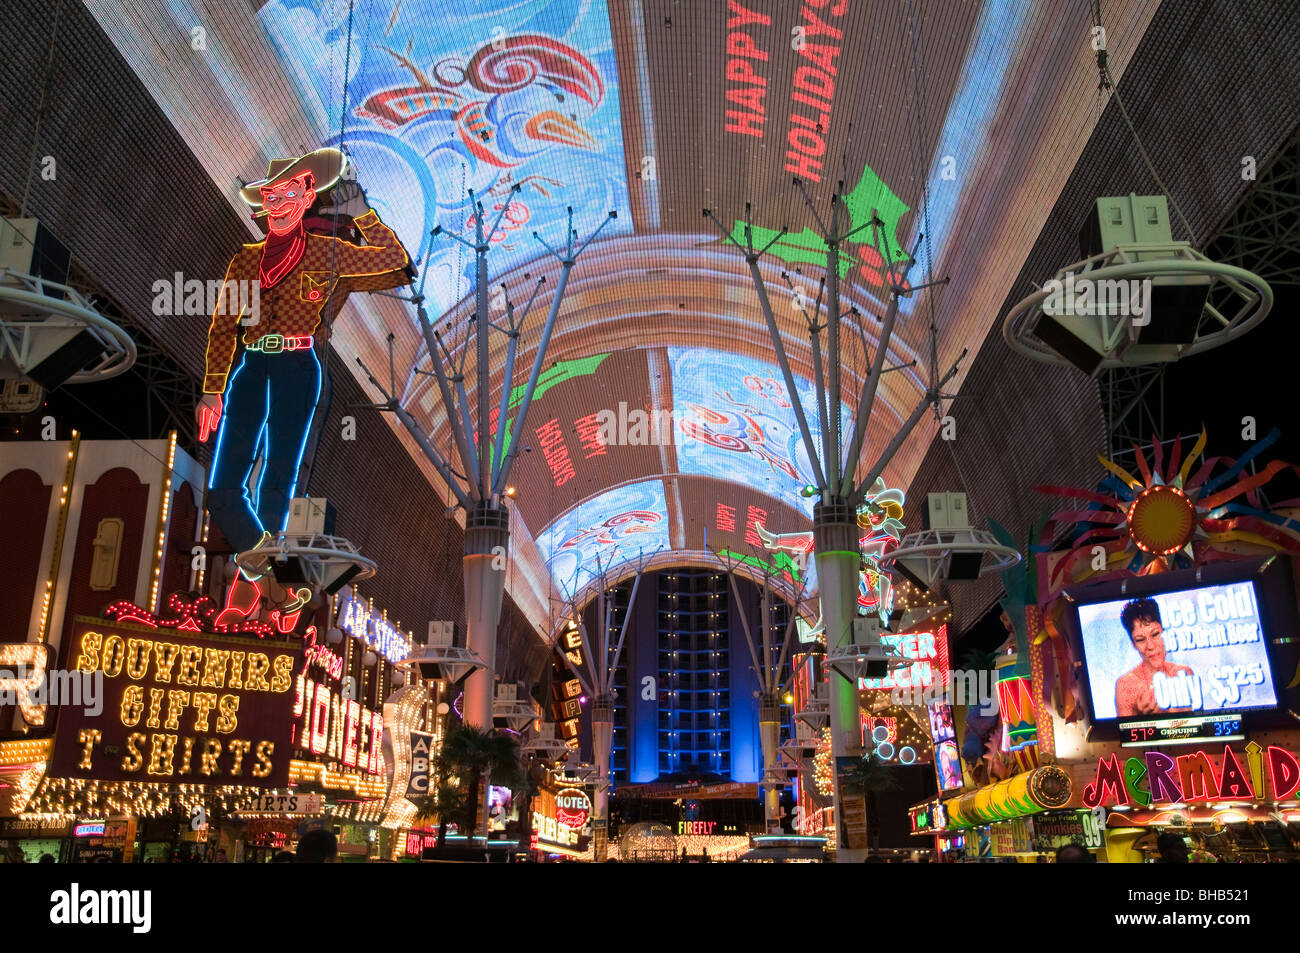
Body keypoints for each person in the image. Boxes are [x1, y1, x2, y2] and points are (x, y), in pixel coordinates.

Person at [196, 147, 411, 614]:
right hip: (250, 368)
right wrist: (213, 389)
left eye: (290, 192)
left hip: (298, 367)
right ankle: (274, 576)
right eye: (271, 194)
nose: (279, 201)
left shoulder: (327, 252)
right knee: (223, 490)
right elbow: (223, 325)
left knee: (276, 486)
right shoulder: (244, 260)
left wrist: (363, 214)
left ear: (307, 195)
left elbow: (397, 263)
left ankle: (262, 586)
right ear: (262, 202)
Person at [1114, 598, 1195, 717]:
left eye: (1155, 634)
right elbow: (1126, 734)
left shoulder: (1183, 673)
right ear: (1134, 644)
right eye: (1141, 640)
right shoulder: (1125, 685)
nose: (1150, 646)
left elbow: (1197, 727)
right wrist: (1140, 716)